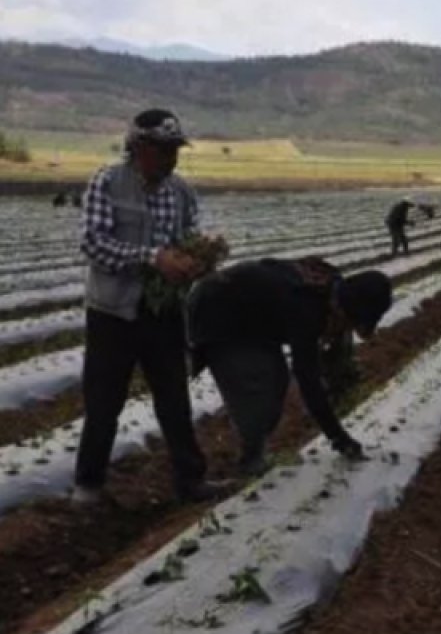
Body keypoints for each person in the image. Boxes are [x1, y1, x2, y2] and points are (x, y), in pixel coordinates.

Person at [73, 108, 219, 504]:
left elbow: (187, 237)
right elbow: (93, 244)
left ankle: (190, 480)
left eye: (175, 149)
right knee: (104, 403)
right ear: (138, 148)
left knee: (174, 398)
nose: (172, 157)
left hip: (163, 314)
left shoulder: (181, 191)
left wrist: (197, 259)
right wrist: (153, 258)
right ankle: (89, 485)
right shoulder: (108, 182)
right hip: (112, 313)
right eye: (163, 149)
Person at [187, 257, 392, 476]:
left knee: (278, 381)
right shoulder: (307, 308)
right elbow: (308, 380)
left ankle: (255, 448)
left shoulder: (331, 289)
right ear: (347, 311)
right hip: (217, 313)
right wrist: (339, 438)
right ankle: (250, 461)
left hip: (254, 316)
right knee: (256, 386)